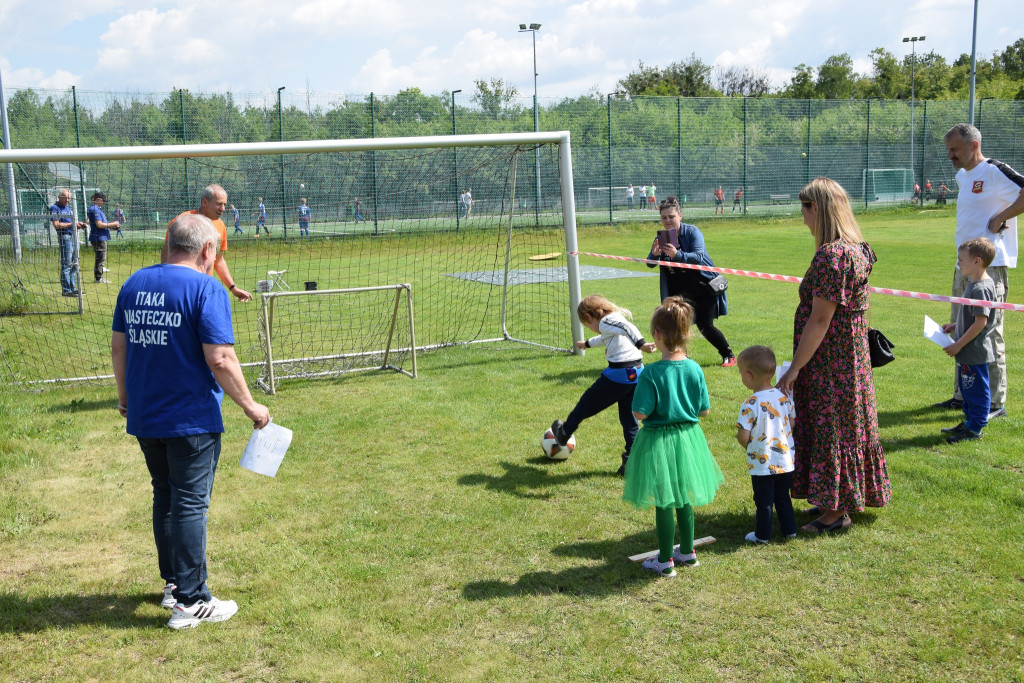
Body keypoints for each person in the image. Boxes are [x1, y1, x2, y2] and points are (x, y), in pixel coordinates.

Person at [111, 213, 270, 629]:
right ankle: (192, 599)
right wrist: (252, 406)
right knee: (189, 503)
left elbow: (119, 347)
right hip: (190, 419)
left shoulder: (133, 283)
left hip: (146, 415)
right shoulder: (207, 288)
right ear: (206, 250)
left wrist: (125, 398)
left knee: (165, 496)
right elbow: (220, 358)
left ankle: (173, 585)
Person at [777, 177, 890, 533]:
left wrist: (795, 368)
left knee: (834, 428)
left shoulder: (832, 256)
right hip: (848, 357)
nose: (803, 219)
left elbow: (821, 319)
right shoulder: (856, 248)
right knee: (845, 426)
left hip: (832, 361)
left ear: (818, 209)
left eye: (805, 210)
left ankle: (836, 512)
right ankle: (835, 501)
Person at [624, 296, 724, 577]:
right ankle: (688, 553)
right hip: (689, 439)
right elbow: (704, 411)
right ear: (686, 332)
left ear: (656, 335)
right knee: (683, 497)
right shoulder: (694, 368)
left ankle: (665, 560)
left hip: (659, 441)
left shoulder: (651, 373)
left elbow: (640, 414)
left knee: (664, 500)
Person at [934, 123, 1024, 419]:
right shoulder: (962, 176)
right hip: (963, 267)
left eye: (955, 149)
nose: (951, 155)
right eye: (949, 149)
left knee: (987, 332)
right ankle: (963, 395)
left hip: (990, 269)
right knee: (960, 329)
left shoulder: (994, 170)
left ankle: (995, 402)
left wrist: (1002, 215)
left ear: (974, 146)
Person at [549, 295, 657, 476]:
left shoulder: (608, 321)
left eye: (587, 325)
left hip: (620, 374)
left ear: (589, 317)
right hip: (636, 373)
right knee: (629, 420)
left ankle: (564, 432)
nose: (593, 330)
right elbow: (605, 337)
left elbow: (626, 328)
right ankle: (632, 463)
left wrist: (642, 344)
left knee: (586, 403)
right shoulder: (612, 320)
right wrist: (587, 344)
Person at [646, 196, 736, 367]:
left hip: (703, 288)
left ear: (680, 215)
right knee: (676, 326)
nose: (668, 221)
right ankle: (681, 359)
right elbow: (650, 263)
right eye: (664, 217)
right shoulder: (662, 237)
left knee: (705, 326)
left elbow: (699, 257)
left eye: (671, 217)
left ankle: (728, 355)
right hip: (678, 292)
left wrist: (677, 255)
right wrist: (654, 255)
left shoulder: (692, 232)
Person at [940, 238, 1000, 443]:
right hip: (968, 352)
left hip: (975, 352)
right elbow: (973, 318)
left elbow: (981, 323)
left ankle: (975, 429)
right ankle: (969, 423)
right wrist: (954, 327)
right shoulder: (975, 284)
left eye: (961, 260)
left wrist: (957, 344)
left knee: (976, 391)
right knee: (967, 388)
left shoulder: (981, 288)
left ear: (977, 261)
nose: (958, 264)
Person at [735, 345, 796, 544]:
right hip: (786, 459)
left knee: (763, 501)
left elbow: (743, 436)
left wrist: (749, 447)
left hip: (762, 462)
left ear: (749, 375)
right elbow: (792, 422)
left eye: (741, 374)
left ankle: (762, 535)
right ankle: (790, 530)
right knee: (782, 497)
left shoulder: (750, 403)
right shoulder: (783, 397)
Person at [162, 184, 252, 303]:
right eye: (219, 204)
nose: (223, 209)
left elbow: (218, 260)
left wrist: (233, 288)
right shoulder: (182, 222)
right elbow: (167, 257)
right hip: (180, 291)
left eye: (224, 204)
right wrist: (168, 286)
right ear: (205, 202)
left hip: (204, 291)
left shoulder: (220, 226)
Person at [50, 189, 88, 296]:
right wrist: (72, 225)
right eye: (65, 198)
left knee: (75, 264)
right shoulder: (55, 208)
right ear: (60, 197)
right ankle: (66, 290)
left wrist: (79, 224)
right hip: (65, 237)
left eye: (69, 198)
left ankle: (73, 288)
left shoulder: (68, 207)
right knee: (66, 264)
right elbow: (57, 225)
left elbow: (71, 222)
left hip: (74, 236)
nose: (68, 200)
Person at [87, 191, 118, 284]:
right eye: (103, 201)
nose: (104, 203)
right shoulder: (95, 209)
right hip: (99, 238)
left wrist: (112, 226)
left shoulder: (97, 209)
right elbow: (99, 225)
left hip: (100, 237)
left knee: (100, 258)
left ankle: (99, 277)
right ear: (99, 200)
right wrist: (114, 223)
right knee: (100, 258)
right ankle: (98, 278)